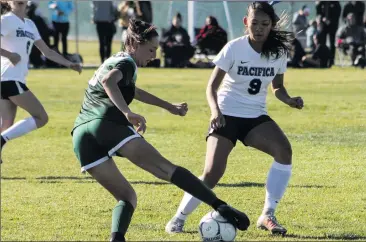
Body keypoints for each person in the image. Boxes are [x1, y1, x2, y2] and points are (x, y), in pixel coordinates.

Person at [71, 19, 250, 242]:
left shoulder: (116, 60)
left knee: (127, 197)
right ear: (135, 44)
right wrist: (127, 113)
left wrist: (168, 106)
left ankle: (116, 239)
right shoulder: (127, 63)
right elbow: (109, 82)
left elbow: (133, 90)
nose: (154, 55)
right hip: (106, 124)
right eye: (151, 49)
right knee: (167, 169)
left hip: (80, 135)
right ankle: (221, 206)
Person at [166, 1, 304, 236]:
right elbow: (211, 87)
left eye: (264, 24)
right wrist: (215, 112)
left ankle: (268, 214)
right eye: (254, 23)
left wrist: (289, 99)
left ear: (271, 26)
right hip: (226, 115)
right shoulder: (233, 48)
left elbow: (277, 88)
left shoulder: (278, 52)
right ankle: (178, 219)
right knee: (212, 172)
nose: (259, 28)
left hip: (255, 117)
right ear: (245, 23)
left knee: (284, 151)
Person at [0, 0, 82, 164]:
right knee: (41, 117)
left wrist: (68, 63)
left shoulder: (29, 23)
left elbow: (47, 51)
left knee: (6, 125)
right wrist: (9, 55)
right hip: (8, 77)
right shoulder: (6, 20)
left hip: (14, 78)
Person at [315, 1, 341, 67]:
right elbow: (318, 13)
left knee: (332, 43)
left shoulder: (335, 3)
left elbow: (338, 13)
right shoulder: (321, 3)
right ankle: (322, 60)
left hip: (333, 25)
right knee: (322, 43)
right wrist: (322, 18)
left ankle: (331, 60)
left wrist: (331, 20)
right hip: (323, 25)